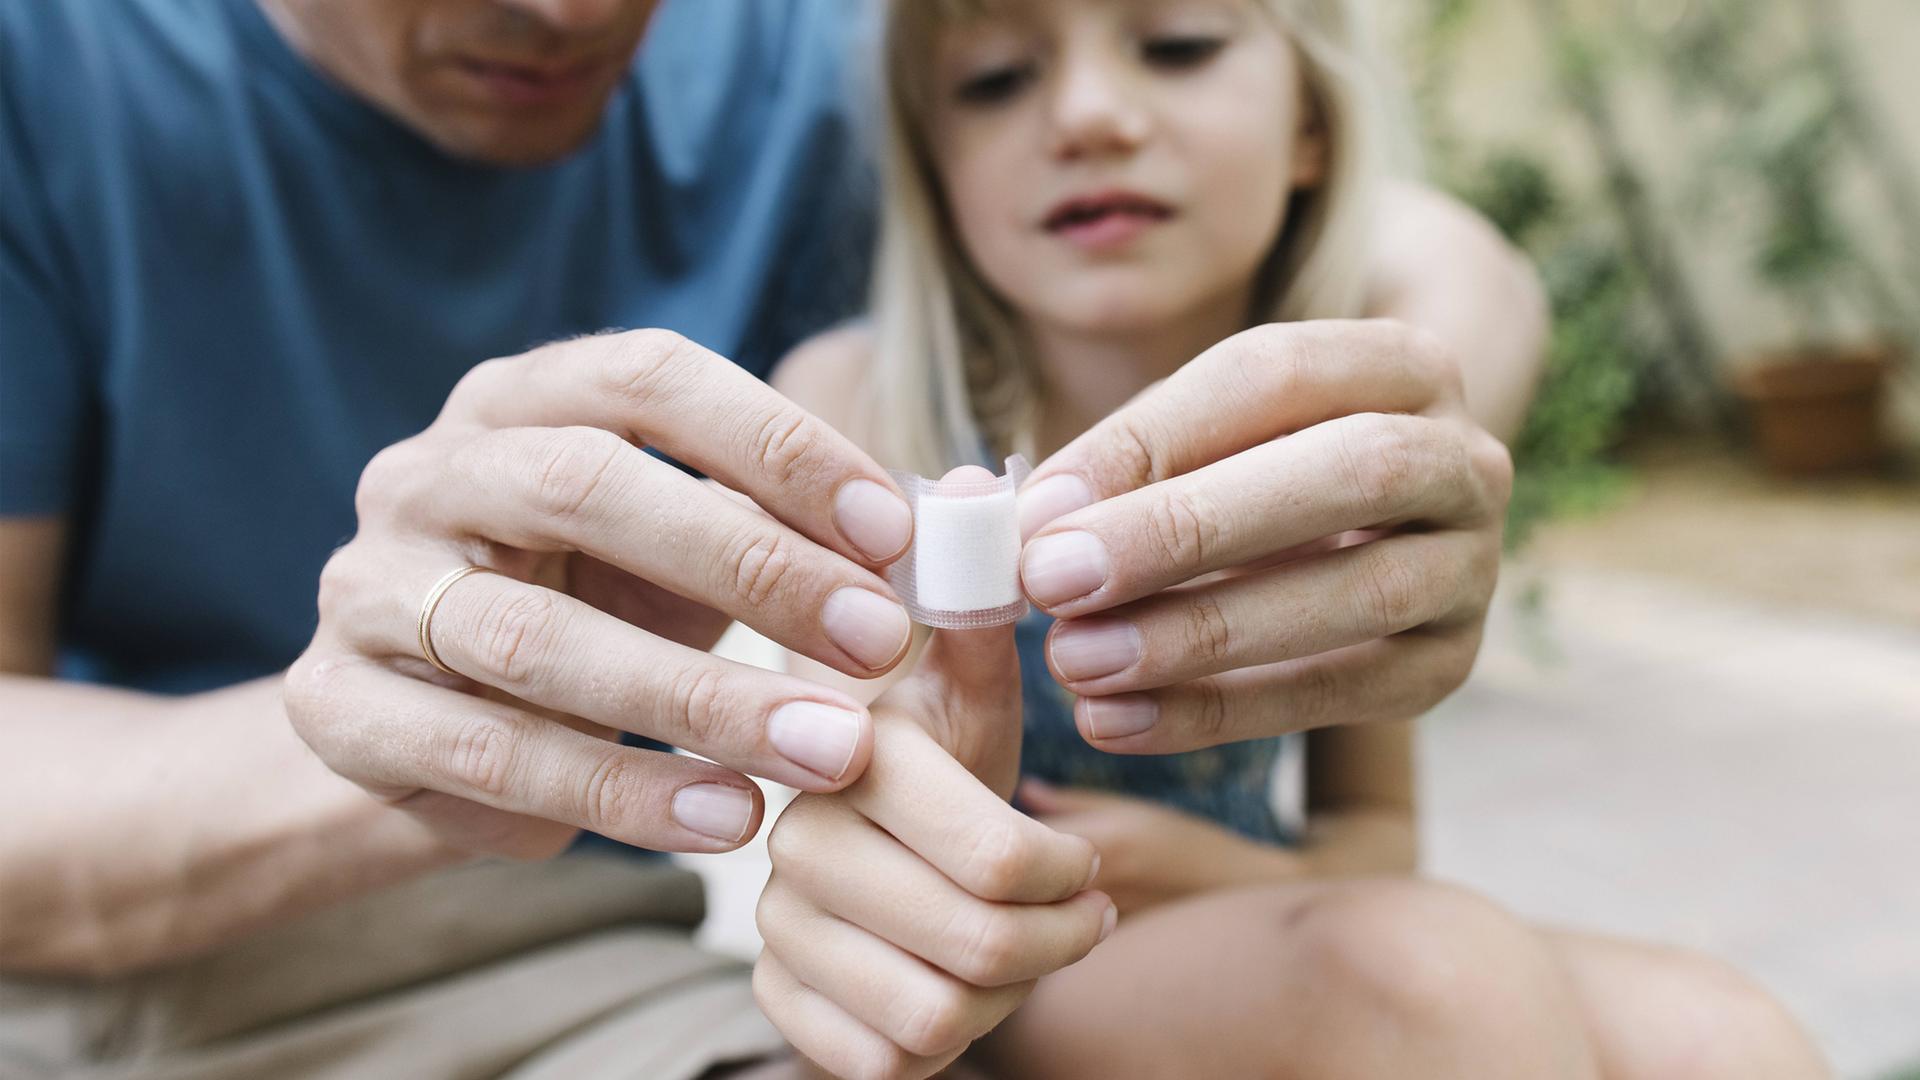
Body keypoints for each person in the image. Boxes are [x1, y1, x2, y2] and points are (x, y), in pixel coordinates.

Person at [0, 0, 1718, 1076]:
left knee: (1727, 1041)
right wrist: (415, 734)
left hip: (630, 978)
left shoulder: (812, 64)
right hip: (163, 975)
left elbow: (1387, 227)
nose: (575, 9)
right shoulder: (52, 71)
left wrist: (1426, 401)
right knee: (1417, 986)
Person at [750, 0, 1831, 1076]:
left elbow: (1375, 836)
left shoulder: (1326, 457)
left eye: (1177, 47)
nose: (1086, 117)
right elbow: (863, 823)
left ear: (1313, 129)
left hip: (1259, 903)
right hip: (1010, 963)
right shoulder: (866, 410)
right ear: (934, 169)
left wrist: (1214, 872)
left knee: (1726, 1035)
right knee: (1430, 975)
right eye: (994, 81)